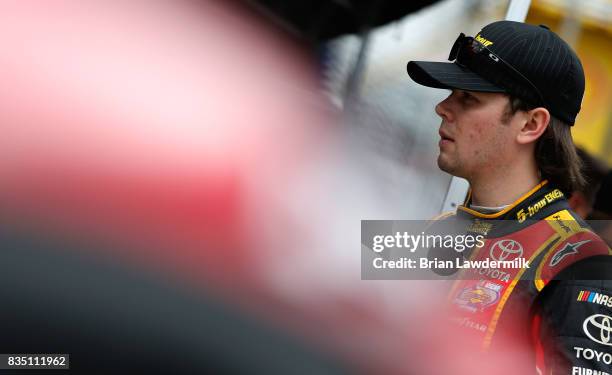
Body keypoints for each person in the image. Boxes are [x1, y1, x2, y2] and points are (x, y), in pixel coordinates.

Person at [407, 21, 612, 374]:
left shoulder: (584, 262)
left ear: (531, 124)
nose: (442, 107)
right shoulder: (422, 233)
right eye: (449, 92)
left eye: (467, 98)